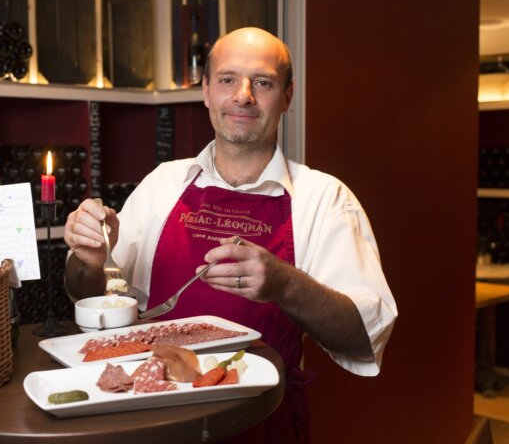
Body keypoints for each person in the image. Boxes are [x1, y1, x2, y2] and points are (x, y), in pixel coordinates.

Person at [64, 27, 397, 442]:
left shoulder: (324, 198)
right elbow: (84, 293)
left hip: (259, 423)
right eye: (227, 79)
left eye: (263, 82)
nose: (244, 95)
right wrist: (89, 261)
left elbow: (362, 335)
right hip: (152, 418)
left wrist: (284, 283)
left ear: (287, 97)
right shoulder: (163, 183)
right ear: (206, 91)